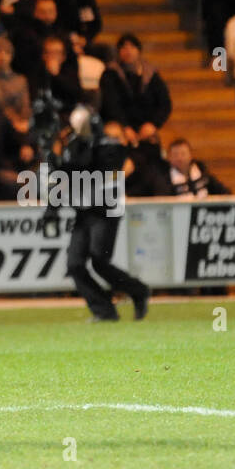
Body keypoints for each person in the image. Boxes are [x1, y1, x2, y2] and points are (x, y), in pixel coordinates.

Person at [61, 106, 150, 322]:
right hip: (84, 213)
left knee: (99, 260)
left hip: (104, 211)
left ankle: (137, 291)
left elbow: (107, 169)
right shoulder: (77, 148)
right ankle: (104, 309)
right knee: (75, 264)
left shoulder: (107, 147)